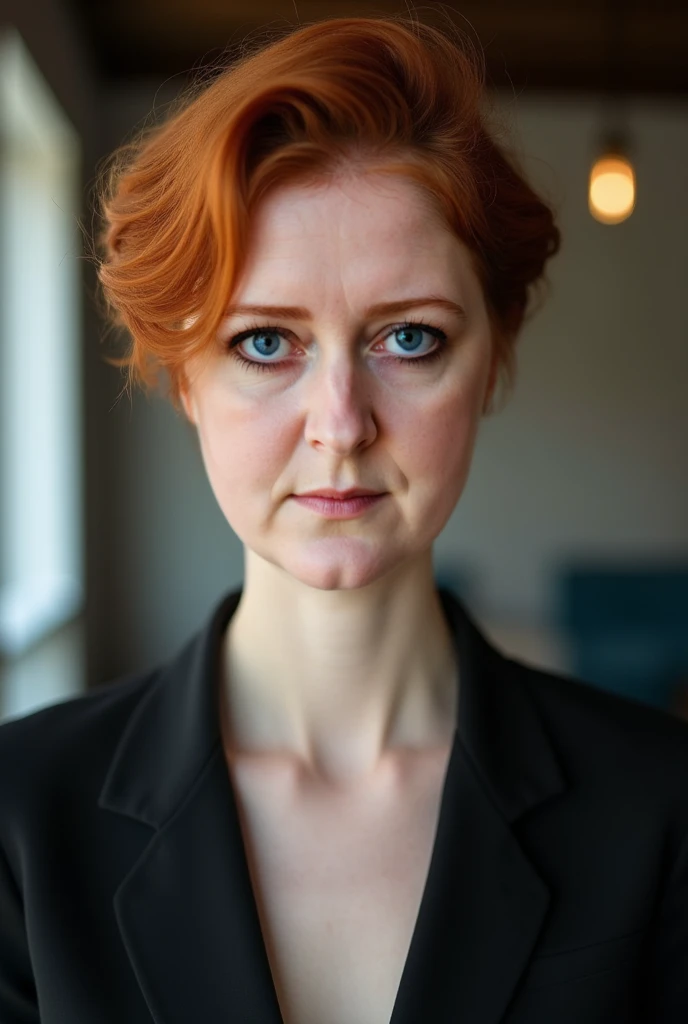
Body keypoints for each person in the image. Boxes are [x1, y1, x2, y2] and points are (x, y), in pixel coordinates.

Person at [1, 13, 687, 1024]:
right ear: (184, 378)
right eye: (265, 344)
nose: (341, 425)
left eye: (408, 337)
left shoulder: (660, 808)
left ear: (490, 361)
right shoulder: (19, 819)